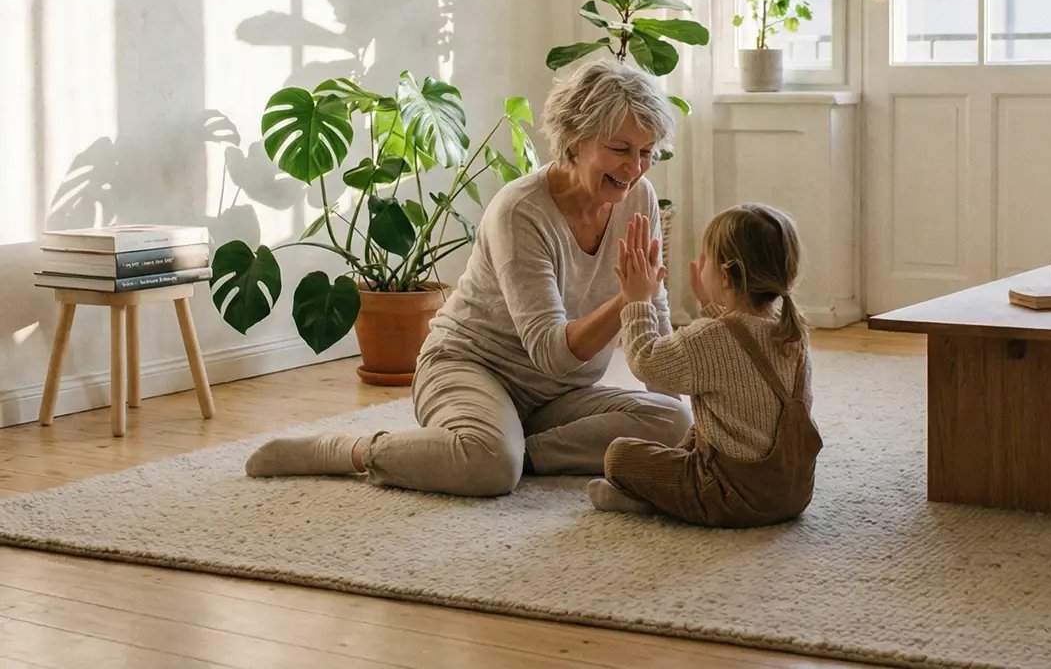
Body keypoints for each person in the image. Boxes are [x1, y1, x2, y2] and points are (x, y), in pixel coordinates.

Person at [245, 59, 692, 495]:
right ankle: (356, 450)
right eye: (621, 149)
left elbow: (652, 309)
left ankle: (515, 452)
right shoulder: (520, 210)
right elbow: (552, 354)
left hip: (559, 398)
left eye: (647, 152)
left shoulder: (639, 198)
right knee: (491, 467)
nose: (635, 168)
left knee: (673, 422)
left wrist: (679, 381)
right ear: (575, 139)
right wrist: (626, 301)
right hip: (470, 368)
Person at [587, 204, 821, 526]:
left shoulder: (711, 338)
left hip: (728, 496)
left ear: (724, 274)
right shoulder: (791, 330)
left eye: (705, 257)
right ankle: (662, 494)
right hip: (792, 493)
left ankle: (654, 501)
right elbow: (735, 360)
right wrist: (711, 306)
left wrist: (638, 301)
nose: (699, 264)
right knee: (704, 426)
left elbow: (647, 362)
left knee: (619, 455)